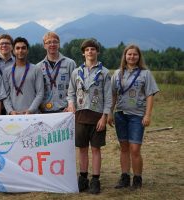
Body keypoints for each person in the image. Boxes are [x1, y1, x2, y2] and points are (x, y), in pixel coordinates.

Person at [108, 44, 159, 190]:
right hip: (121, 115)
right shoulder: (117, 74)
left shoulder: (145, 74)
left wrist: (147, 115)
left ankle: (137, 178)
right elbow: (113, 94)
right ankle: (125, 177)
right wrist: (110, 113)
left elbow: (150, 95)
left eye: (135, 54)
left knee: (135, 148)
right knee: (124, 148)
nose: (132, 57)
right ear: (125, 56)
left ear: (139, 57)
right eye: (129, 54)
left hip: (137, 116)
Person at [66, 39, 112, 194]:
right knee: (82, 149)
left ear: (97, 52)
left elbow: (108, 97)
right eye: (87, 50)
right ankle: (83, 178)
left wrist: (104, 117)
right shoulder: (76, 72)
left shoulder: (104, 72)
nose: (90, 52)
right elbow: (71, 92)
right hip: (80, 115)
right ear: (83, 53)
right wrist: (71, 103)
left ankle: (96, 180)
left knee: (96, 149)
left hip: (97, 116)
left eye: (93, 49)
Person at [36, 32, 76, 113]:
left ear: (59, 44)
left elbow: (75, 87)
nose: (52, 44)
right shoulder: (38, 67)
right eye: (49, 42)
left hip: (66, 110)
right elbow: (36, 90)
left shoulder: (70, 63)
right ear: (44, 45)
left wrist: (72, 105)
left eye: (55, 42)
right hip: (45, 111)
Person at [3, 37, 44, 115]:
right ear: (13, 51)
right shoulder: (6, 71)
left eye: (23, 48)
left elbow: (40, 93)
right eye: (17, 48)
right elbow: (5, 95)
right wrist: (10, 111)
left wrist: (31, 110)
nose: (20, 51)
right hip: (13, 116)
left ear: (27, 51)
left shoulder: (36, 69)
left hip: (32, 115)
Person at [0, 34, 15, 115]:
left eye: (7, 43)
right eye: (1, 43)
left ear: (12, 46)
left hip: (12, 103)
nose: (4, 45)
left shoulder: (18, 63)